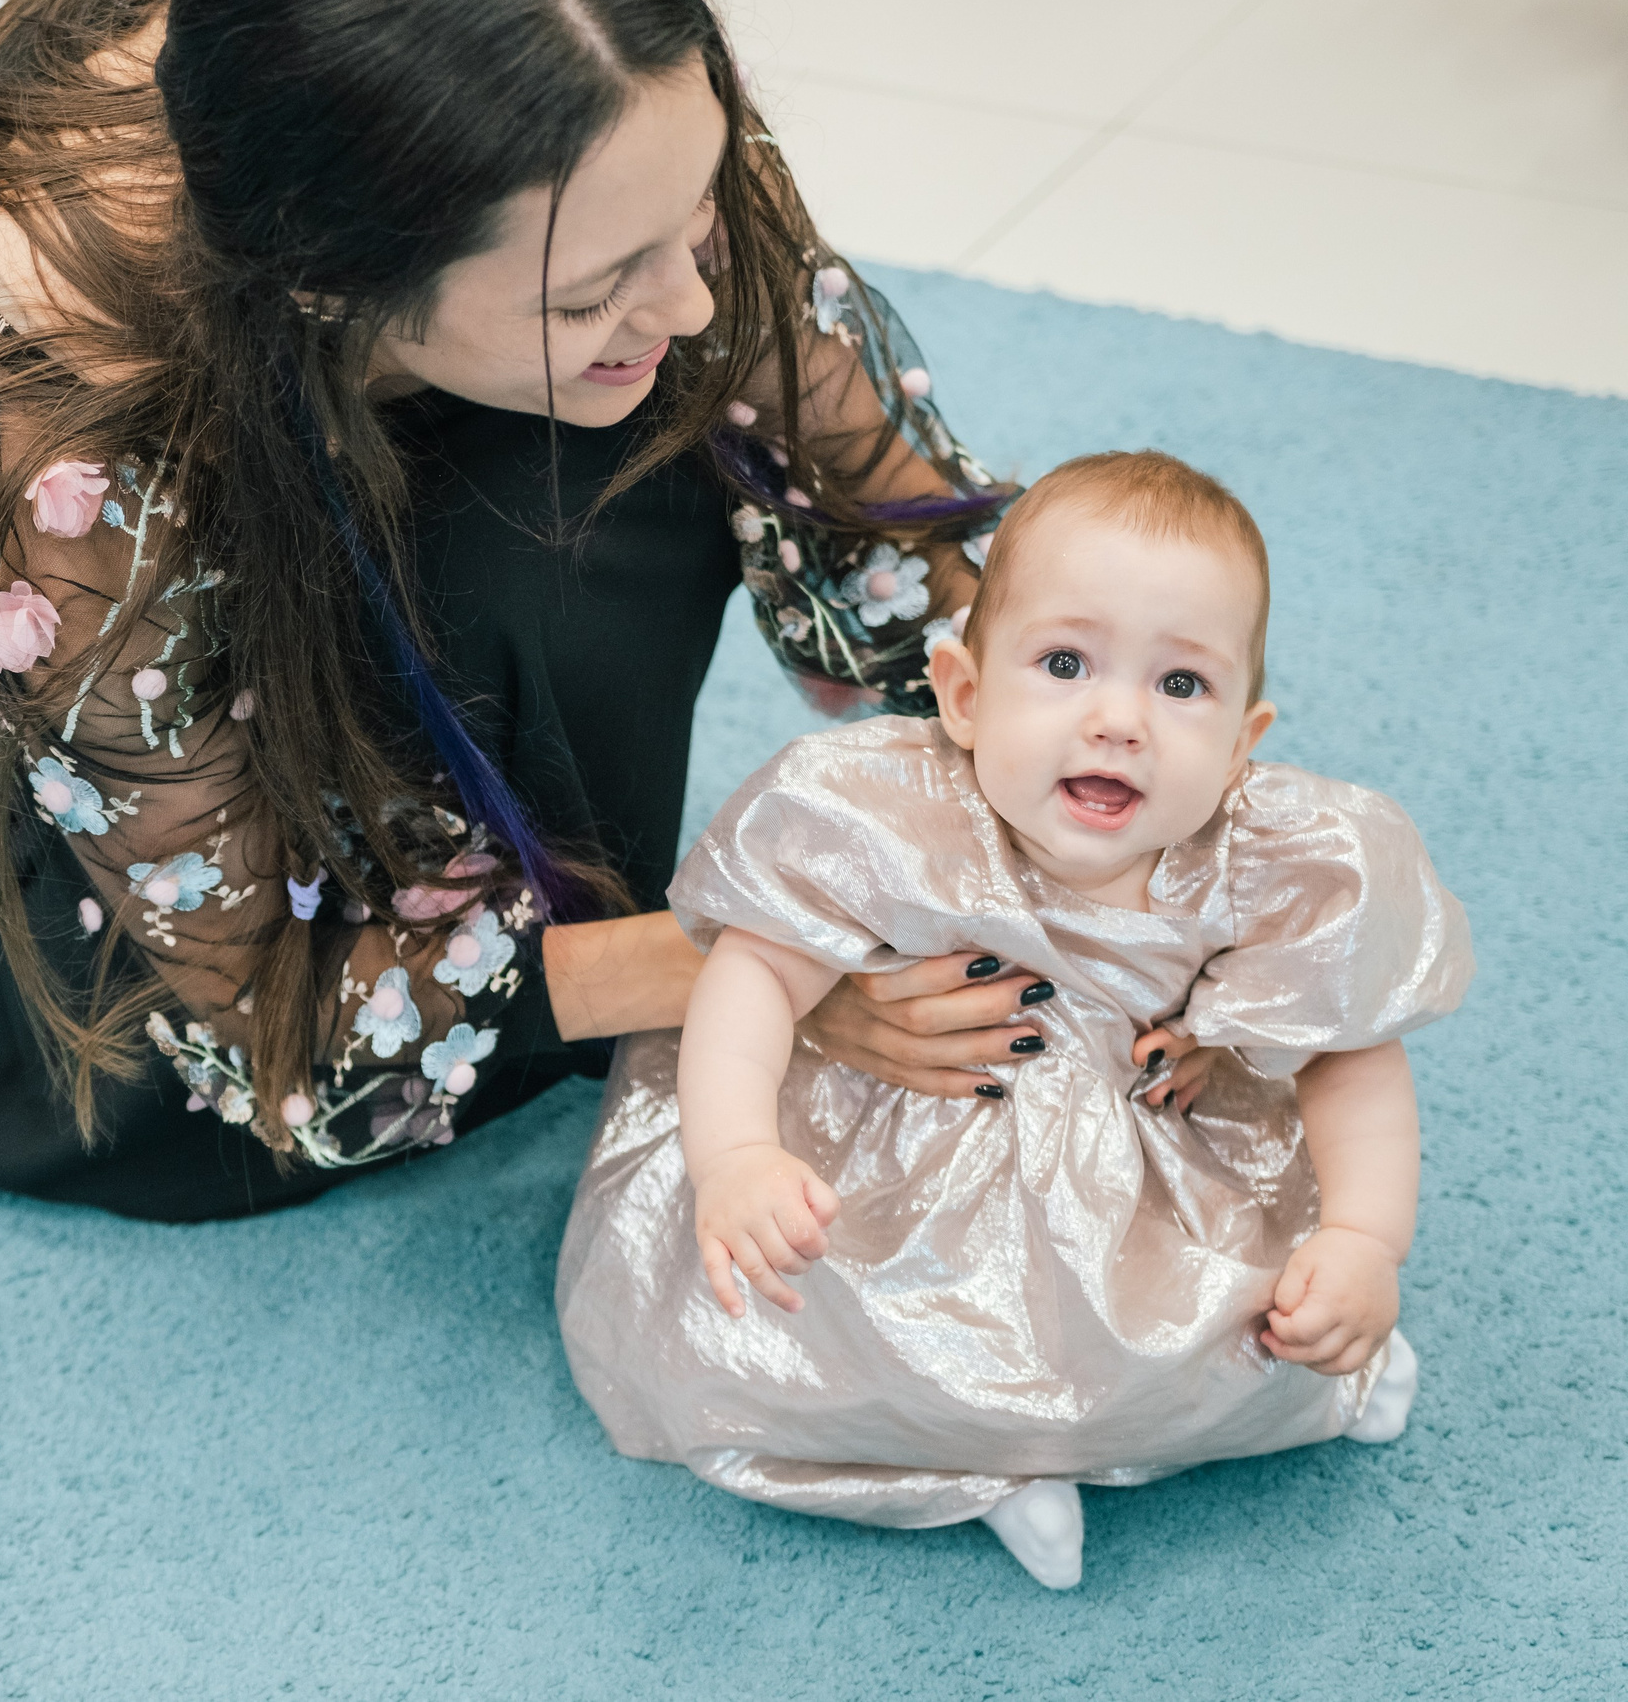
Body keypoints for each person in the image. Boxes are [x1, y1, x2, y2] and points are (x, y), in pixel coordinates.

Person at [0, 0, 1151, 1223]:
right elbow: (297, 1037)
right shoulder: (66, 381)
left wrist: (1087, 737)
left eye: (687, 217)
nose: (692, 302)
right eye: (596, 290)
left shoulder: (578, 67)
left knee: (595, 498)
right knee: (219, 959)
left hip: (340, 328)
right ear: (337, 285)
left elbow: (863, 485)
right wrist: (759, 962)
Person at [555, 452, 1474, 1588]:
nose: (1118, 720)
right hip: (908, 1151)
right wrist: (738, 1154)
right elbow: (748, 978)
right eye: (1063, 663)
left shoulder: (1270, 861)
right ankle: (974, 1470)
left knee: (1263, 1312)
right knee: (842, 1330)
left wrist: (1362, 1241)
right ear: (963, 694)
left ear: (1244, 741)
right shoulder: (887, 817)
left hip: (1144, 1153)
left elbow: (1350, 1060)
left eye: (1181, 685)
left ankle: (1302, 1376)